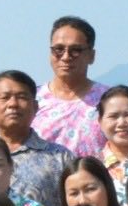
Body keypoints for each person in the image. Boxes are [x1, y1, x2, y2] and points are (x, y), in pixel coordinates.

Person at [0, 71, 78, 206]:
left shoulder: (60, 157)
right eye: (5, 97)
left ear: (35, 107)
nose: (13, 104)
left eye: (21, 97)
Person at [36, 16, 106, 157]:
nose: (66, 56)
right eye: (59, 49)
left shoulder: (109, 100)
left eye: (75, 50)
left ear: (92, 56)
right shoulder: (32, 99)